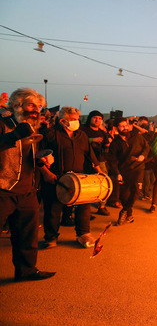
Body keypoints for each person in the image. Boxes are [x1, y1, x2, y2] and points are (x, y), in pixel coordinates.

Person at [0, 88, 56, 281]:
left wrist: (43, 162)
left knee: (27, 235)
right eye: (32, 105)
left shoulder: (33, 127)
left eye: (39, 107)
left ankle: (26, 270)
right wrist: (15, 134)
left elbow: (29, 155)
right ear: (16, 104)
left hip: (28, 189)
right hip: (3, 188)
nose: (36, 110)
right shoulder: (3, 123)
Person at [39, 106, 102, 249]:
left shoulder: (82, 135)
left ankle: (83, 234)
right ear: (63, 120)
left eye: (77, 119)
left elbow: (90, 154)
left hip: (79, 178)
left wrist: (98, 170)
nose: (76, 122)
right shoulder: (49, 134)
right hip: (56, 178)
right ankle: (51, 238)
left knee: (84, 207)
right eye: (73, 120)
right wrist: (46, 173)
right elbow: (37, 156)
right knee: (53, 210)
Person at [107, 118, 150, 225]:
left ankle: (124, 211)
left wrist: (143, 156)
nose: (125, 127)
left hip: (138, 168)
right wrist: (117, 173)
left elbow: (147, 147)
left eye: (126, 125)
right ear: (117, 128)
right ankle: (129, 215)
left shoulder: (137, 137)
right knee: (124, 196)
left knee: (136, 190)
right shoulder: (115, 143)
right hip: (124, 171)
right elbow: (112, 161)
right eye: (122, 126)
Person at [81, 110, 111, 215]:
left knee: (105, 182)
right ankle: (85, 210)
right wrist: (92, 140)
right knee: (87, 185)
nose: (97, 120)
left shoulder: (102, 132)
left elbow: (107, 144)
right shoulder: (83, 130)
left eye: (99, 118)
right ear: (90, 118)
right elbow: (79, 141)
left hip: (100, 160)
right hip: (85, 160)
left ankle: (102, 206)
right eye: (95, 117)